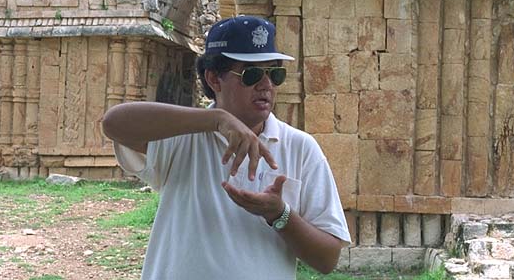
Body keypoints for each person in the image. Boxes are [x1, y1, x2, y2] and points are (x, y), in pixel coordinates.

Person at [102, 15, 350, 280]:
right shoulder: (183, 135)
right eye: (252, 74)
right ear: (214, 79)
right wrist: (216, 120)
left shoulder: (301, 147)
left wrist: (279, 214)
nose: (266, 85)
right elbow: (114, 122)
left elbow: (327, 258)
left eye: (274, 73)